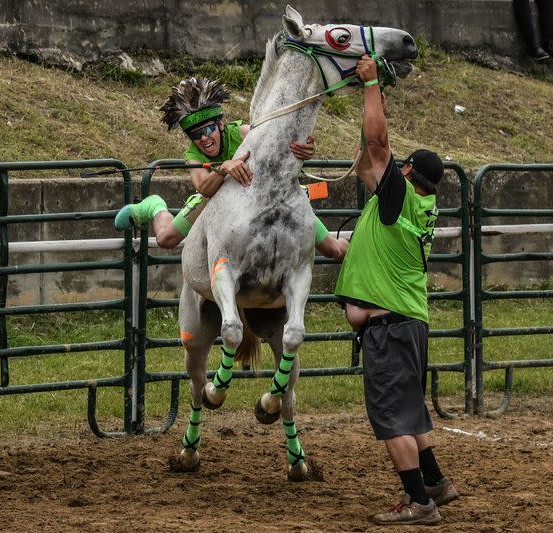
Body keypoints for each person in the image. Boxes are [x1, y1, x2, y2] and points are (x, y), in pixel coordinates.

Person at [334, 56, 458, 525]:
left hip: (391, 330)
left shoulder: (399, 196)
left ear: (405, 171)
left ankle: (419, 504)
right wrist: (374, 96)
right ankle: (437, 485)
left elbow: (377, 143)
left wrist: (369, 87)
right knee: (409, 412)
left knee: (392, 420)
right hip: (406, 324)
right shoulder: (414, 202)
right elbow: (367, 159)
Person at [114, 77, 349, 261]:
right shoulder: (192, 154)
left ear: (221, 124)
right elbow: (203, 188)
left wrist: (304, 149)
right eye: (195, 135)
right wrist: (223, 169)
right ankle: (153, 206)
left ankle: (361, 247)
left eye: (208, 130)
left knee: (334, 250)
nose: (203, 139)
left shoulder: (244, 133)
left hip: (263, 195)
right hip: (216, 197)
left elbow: (283, 144)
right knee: (166, 239)